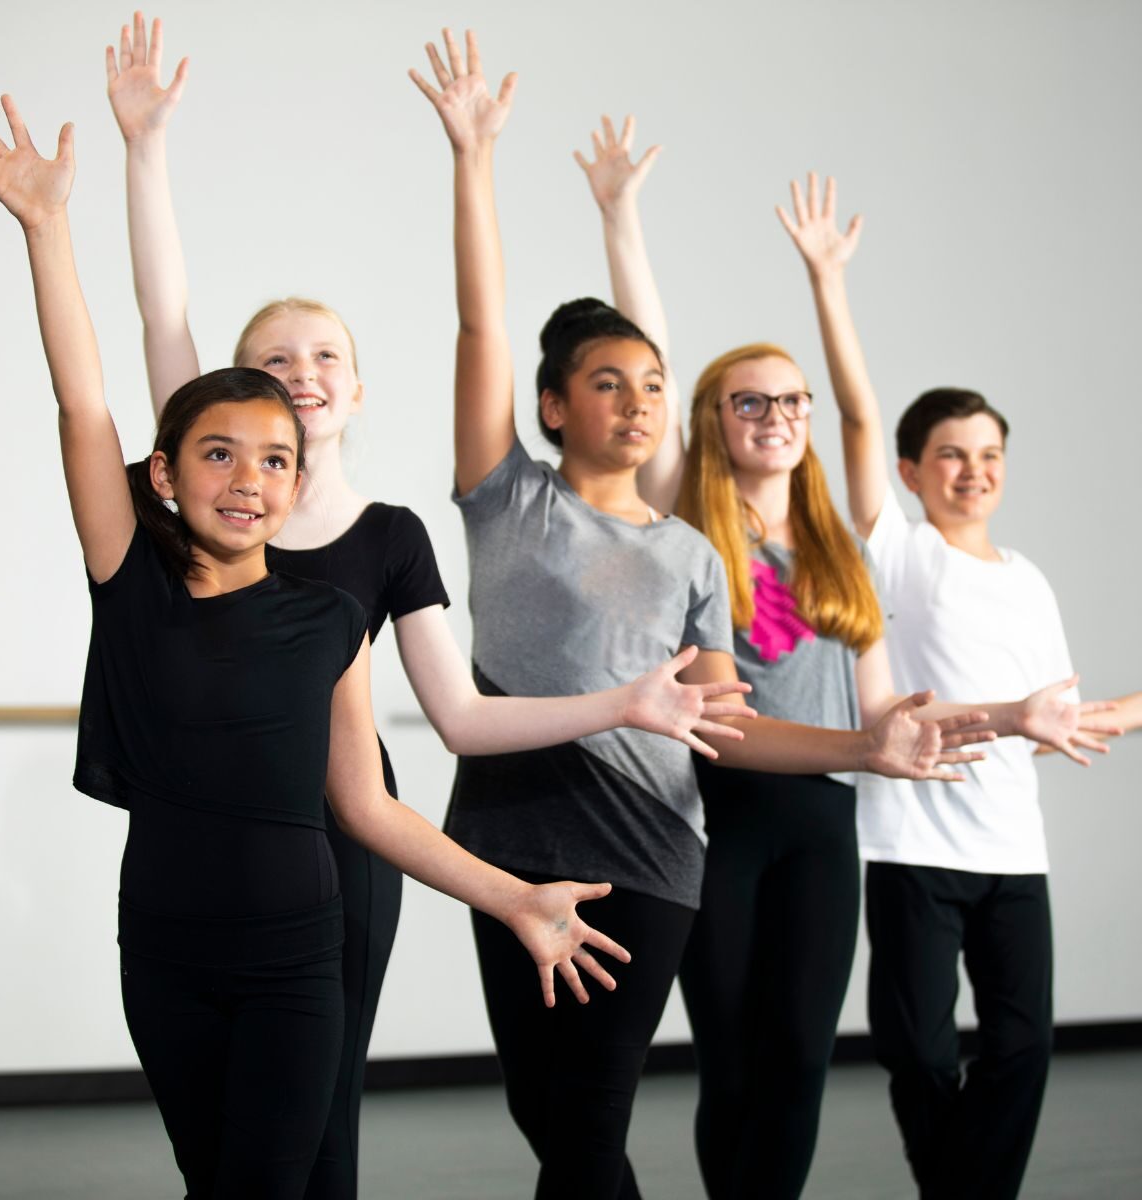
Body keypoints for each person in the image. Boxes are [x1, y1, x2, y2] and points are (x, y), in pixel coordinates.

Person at [102, 15, 753, 1196]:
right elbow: (161, 323)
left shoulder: (392, 538)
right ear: (232, 403)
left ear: (354, 389)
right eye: (276, 360)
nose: (302, 375)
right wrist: (144, 152)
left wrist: (627, 703)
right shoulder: (203, 506)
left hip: (350, 836)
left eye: (325, 358)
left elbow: (458, 716)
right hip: (209, 837)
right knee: (224, 1133)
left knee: (323, 1100)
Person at [0, 94, 634, 1200]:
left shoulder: (329, 622)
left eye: (272, 460)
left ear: (297, 474)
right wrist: (44, 226)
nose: (248, 478)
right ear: (168, 476)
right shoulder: (132, 579)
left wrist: (511, 897)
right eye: (216, 454)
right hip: (163, 954)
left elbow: (367, 808)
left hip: (298, 958)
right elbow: (84, 401)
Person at [411, 35, 996, 1199]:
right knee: (548, 1116)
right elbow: (482, 326)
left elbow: (727, 722)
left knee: (586, 1129)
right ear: (552, 406)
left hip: (650, 854)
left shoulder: (688, 552)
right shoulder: (507, 498)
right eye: (606, 383)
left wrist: (861, 746)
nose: (633, 403)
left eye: (649, 385)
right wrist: (473, 156)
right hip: (505, 842)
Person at [575, 122, 1116, 1200]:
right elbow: (660, 350)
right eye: (751, 401)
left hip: (824, 826)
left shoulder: (843, 548)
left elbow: (883, 703)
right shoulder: (689, 522)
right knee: (729, 1058)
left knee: (802, 1060)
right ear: (713, 422)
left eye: (792, 401)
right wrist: (618, 215)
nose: (777, 414)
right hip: (714, 817)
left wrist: (828, 281)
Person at [778, 170, 1123, 1198]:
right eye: (951, 456)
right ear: (914, 470)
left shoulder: (1030, 581)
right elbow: (854, 409)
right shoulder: (898, 551)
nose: (974, 471)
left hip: (1014, 850)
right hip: (911, 842)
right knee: (920, 1053)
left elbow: (1062, 710)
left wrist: (1098, 718)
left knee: (1021, 1050)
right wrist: (829, 284)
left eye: (989, 454)